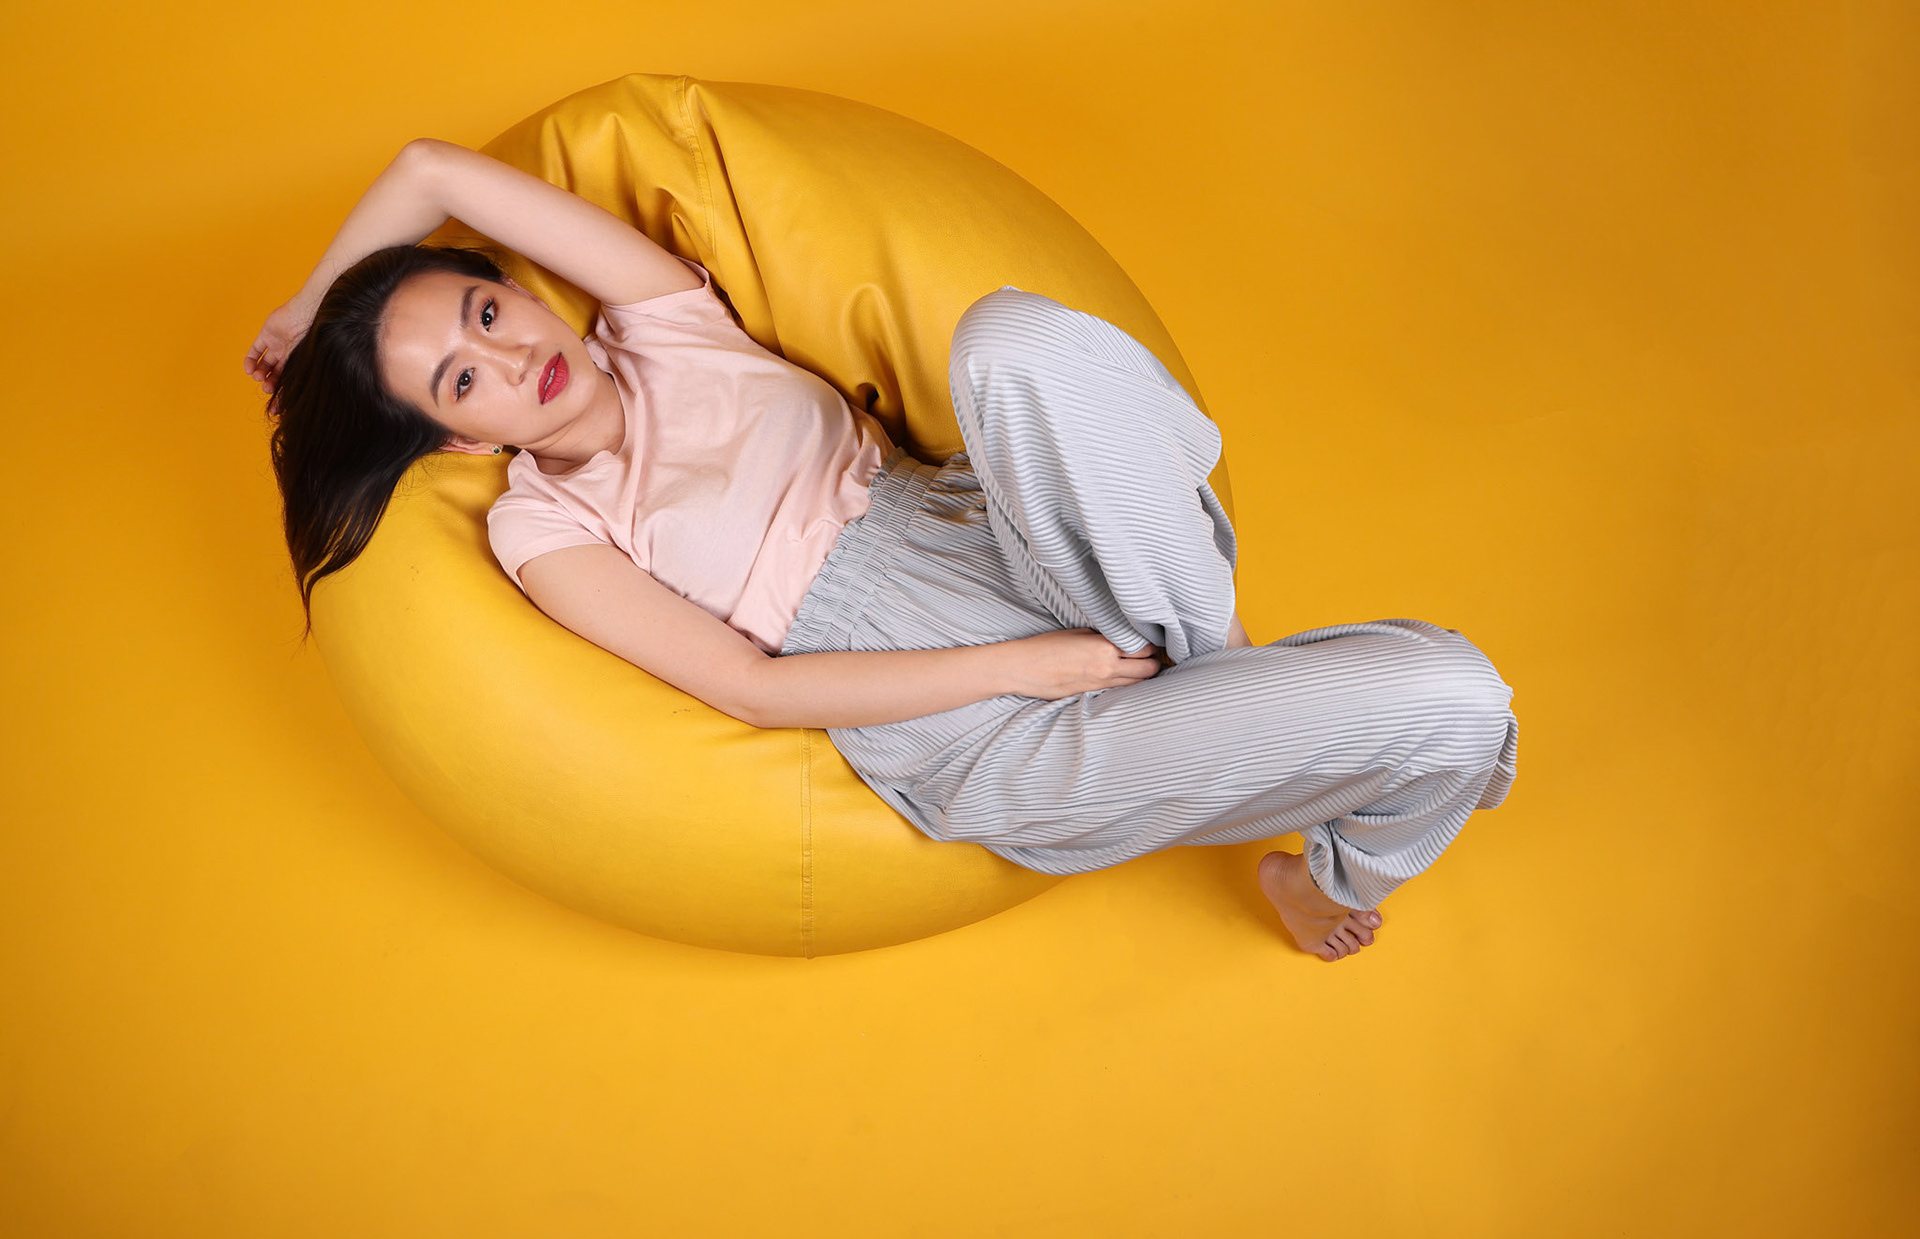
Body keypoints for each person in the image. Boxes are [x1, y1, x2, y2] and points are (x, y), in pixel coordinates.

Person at [245, 137, 1519, 962]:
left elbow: (434, 171)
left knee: (1010, 342)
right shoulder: (540, 520)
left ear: (521, 287)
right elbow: (749, 688)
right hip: (967, 722)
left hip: (1011, 539)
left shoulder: (668, 325)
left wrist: (307, 315)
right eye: (466, 378)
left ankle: (1211, 660)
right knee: (1461, 696)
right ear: (455, 441)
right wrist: (1023, 669)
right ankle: (1311, 855)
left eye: (488, 308)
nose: (519, 356)